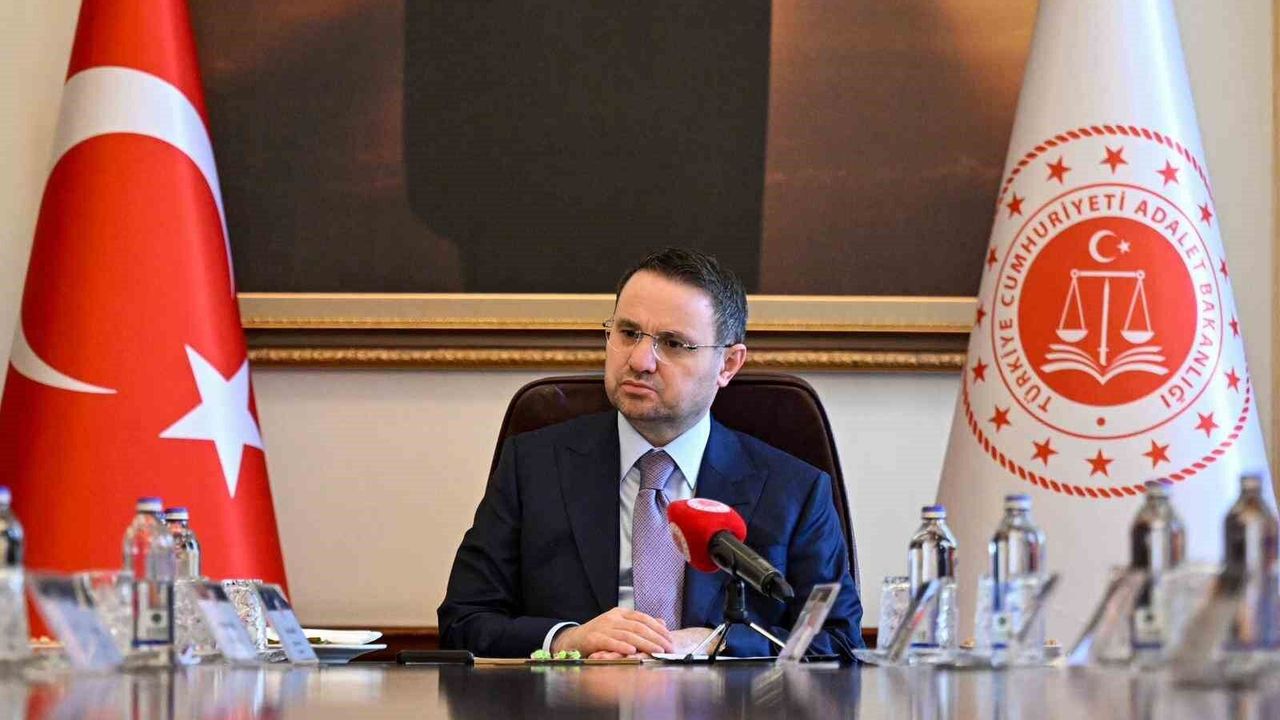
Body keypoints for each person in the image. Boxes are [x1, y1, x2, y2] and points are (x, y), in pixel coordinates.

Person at [438, 248, 863, 658]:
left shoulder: (794, 491)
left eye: (674, 343)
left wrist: (717, 644)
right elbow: (463, 622)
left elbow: (839, 641)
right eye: (628, 333)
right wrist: (566, 640)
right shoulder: (533, 466)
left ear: (728, 364)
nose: (640, 361)